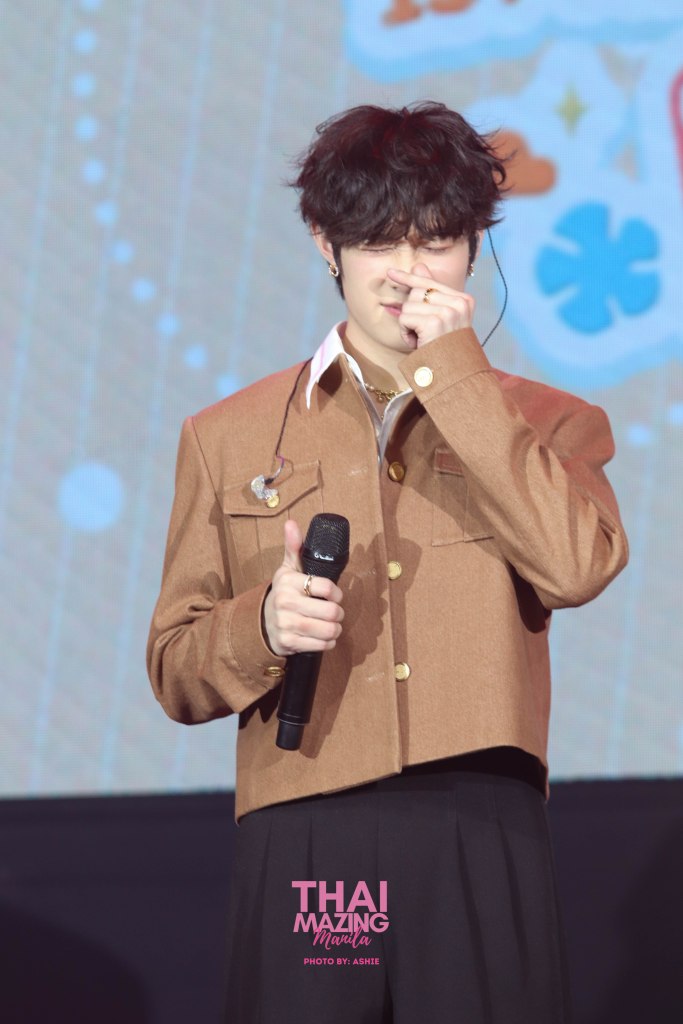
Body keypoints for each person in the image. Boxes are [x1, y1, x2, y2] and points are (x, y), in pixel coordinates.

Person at [146, 102, 628, 1023]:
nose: (408, 271)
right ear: (326, 246)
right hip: (307, 821)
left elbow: (577, 567)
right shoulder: (226, 435)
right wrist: (262, 625)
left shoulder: (549, 422)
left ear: (474, 249)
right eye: (378, 241)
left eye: (436, 240)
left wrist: (455, 377)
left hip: (477, 819)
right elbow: (174, 668)